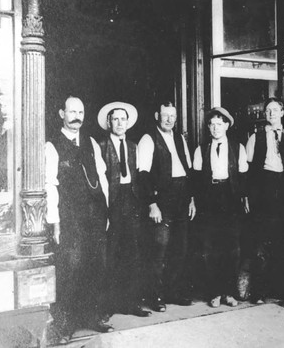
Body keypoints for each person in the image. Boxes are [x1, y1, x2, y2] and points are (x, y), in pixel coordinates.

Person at [45, 96, 113, 342]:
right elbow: (49, 185)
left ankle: (92, 317)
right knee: (70, 269)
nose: (77, 116)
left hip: (95, 216)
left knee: (96, 265)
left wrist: (106, 211)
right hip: (70, 218)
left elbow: (102, 177)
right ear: (62, 113)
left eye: (81, 111)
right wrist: (55, 222)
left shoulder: (92, 143)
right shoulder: (51, 145)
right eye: (72, 111)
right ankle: (65, 325)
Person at [245, 97, 284, 303]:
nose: (271, 113)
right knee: (261, 244)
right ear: (265, 115)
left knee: (282, 243)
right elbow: (249, 170)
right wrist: (249, 197)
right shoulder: (256, 137)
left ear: (282, 113)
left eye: (275, 110)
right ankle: (259, 292)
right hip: (263, 193)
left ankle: (281, 290)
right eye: (268, 111)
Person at [138, 101, 196, 312]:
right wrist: (152, 204)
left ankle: (172, 292)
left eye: (173, 116)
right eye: (165, 115)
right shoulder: (148, 139)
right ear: (157, 116)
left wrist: (191, 199)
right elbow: (142, 175)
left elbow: (188, 171)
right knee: (158, 250)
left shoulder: (180, 138)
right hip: (162, 201)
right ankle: (155, 296)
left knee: (179, 249)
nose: (169, 119)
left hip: (181, 200)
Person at [97, 102, 151, 318]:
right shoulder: (100, 146)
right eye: (115, 119)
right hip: (112, 203)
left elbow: (139, 176)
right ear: (109, 122)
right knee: (110, 254)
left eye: (123, 119)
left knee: (133, 253)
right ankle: (108, 306)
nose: (120, 123)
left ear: (128, 123)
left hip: (132, 200)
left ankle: (131, 302)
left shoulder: (133, 146)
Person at [192, 107, 249, 308]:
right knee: (210, 248)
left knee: (232, 248)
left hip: (231, 199)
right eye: (212, 124)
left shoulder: (238, 148)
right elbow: (196, 180)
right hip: (209, 200)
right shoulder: (201, 149)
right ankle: (214, 293)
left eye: (219, 124)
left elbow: (243, 178)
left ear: (226, 125)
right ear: (208, 127)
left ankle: (229, 293)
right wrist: (196, 202)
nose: (215, 128)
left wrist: (243, 199)